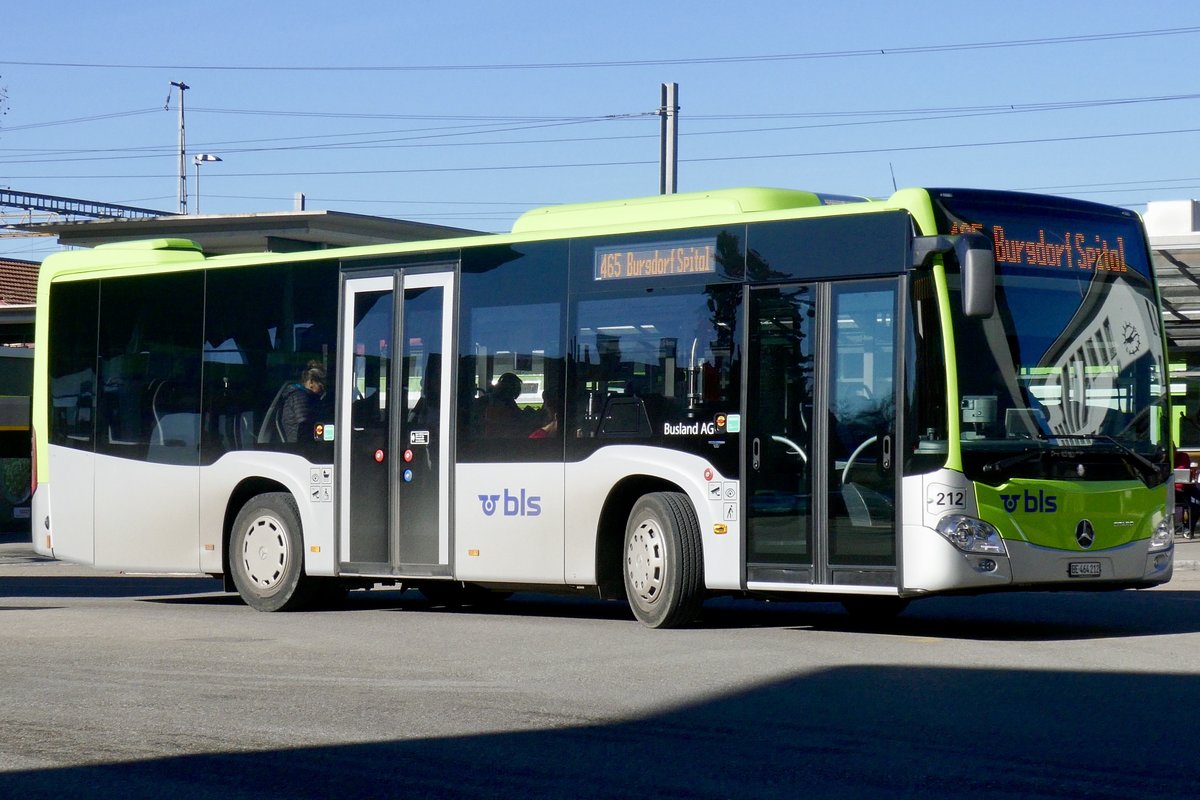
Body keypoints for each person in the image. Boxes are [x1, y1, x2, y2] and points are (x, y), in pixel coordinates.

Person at [280, 361, 327, 442]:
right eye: (321, 384)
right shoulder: (301, 397)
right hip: (299, 446)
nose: (323, 388)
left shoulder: (308, 397)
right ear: (311, 382)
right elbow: (305, 426)